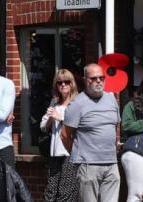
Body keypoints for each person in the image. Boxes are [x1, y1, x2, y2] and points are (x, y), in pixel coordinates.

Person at [61, 63, 121, 202]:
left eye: (101, 77)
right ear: (85, 80)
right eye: (93, 78)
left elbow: (115, 126)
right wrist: (79, 156)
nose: (98, 81)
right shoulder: (77, 104)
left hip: (111, 163)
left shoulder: (111, 99)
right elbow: (65, 135)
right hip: (88, 166)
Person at [40, 69, 79, 202]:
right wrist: (51, 118)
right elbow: (43, 127)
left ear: (72, 84)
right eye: (59, 82)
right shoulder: (54, 102)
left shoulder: (78, 103)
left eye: (66, 82)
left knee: (66, 193)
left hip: (70, 153)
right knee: (50, 193)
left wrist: (60, 118)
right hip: (54, 152)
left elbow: (81, 125)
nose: (63, 85)